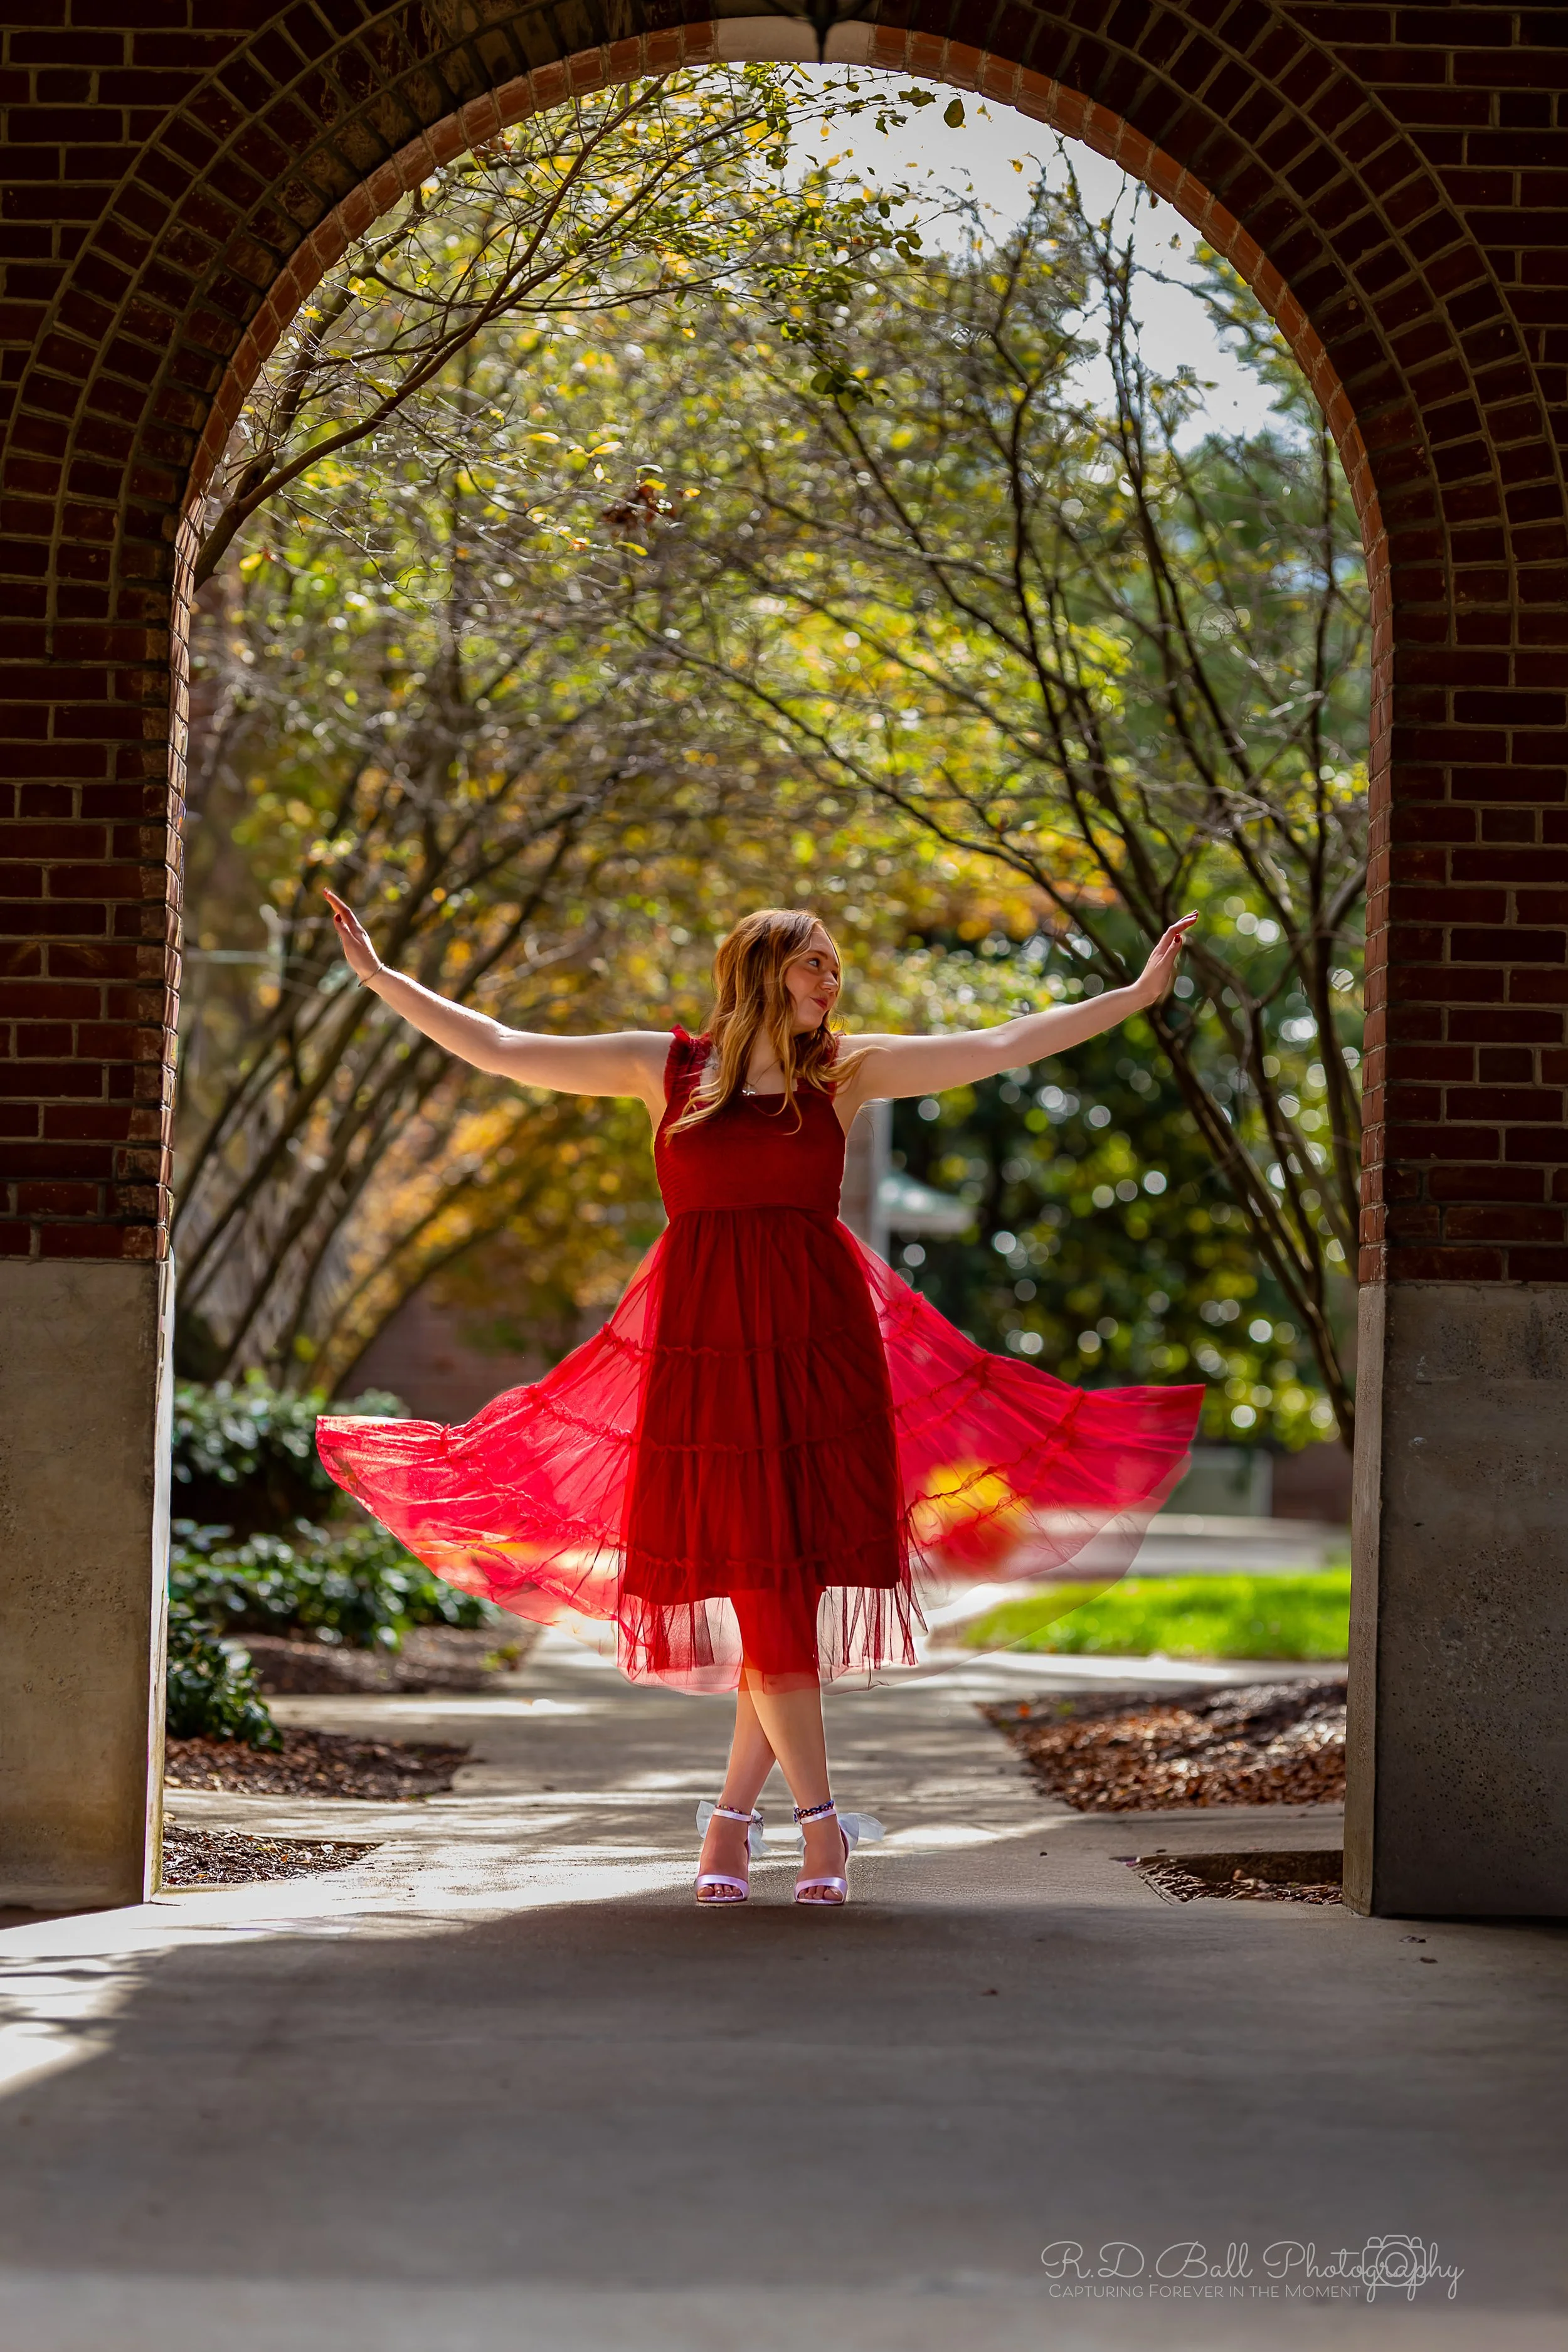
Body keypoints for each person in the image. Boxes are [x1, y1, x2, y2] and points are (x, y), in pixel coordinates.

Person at [317, 893, 1203, 1907]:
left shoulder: (847, 1069)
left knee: (778, 1590)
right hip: (703, 1362)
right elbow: (504, 1043)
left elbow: (1001, 1041)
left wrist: (1135, 995)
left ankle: (763, 1830)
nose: (834, 982)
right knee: (760, 1585)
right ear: (761, 966)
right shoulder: (666, 1068)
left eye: (837, 966)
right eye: (815, 964)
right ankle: (788, 1828)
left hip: (820, 1359)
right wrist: (384, 979)